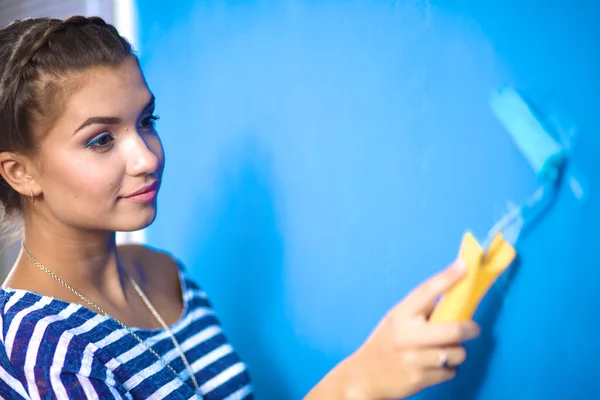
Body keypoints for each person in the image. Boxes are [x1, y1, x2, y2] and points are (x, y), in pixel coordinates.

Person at [0, 16, 480, 400]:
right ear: (20, 172)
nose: (147, 157)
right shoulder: (37, 350)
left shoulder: (166, 276)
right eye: (101, 139)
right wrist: (357, 385)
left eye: (147, 121)